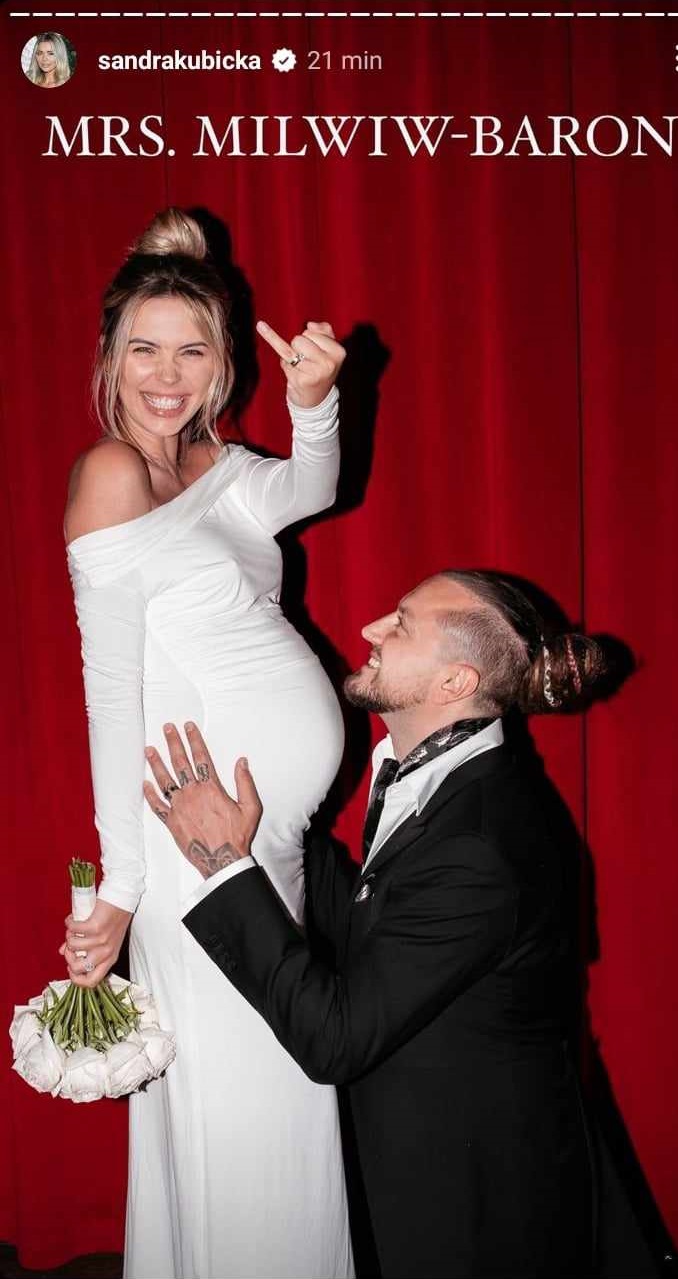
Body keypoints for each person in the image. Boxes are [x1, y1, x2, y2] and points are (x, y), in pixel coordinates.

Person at [135, 570, 609, 1279]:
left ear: (455, 682)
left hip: (474, 1206)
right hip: (427, 1166)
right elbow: (374, 916)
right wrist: (269, 831)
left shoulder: (482, 843)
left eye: (403, 623)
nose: (370, 630)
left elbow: (335, 1040)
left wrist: (226, 864)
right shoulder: (444, 779)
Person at [61, 208, 354, 1279]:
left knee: (276, 1081)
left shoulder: (221, 467)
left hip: (261, 838)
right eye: (145, 347)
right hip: (195, 845)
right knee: (247, 1101)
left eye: (191, 350)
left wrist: (315, 404)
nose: (166, 375)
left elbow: (314, 487)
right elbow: (110, 690)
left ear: (224, 360)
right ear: (110, 354)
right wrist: (121, 886)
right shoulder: (112, 472)